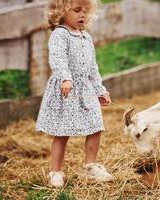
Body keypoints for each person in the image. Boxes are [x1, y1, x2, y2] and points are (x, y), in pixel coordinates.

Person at [35, 0, 113, 188]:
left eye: (86, 11)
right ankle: (55, 171)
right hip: (67, 90)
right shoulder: (60, 35)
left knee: (96, 126)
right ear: (61, 12)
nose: (82, 15)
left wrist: (100, 90)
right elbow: (58, 58)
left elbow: (92, 68)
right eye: (77, 10)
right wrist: (65, 78)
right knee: (63, 132)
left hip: (85, 90)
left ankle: (90, 165)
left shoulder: (86, 38)